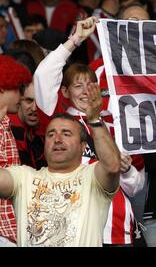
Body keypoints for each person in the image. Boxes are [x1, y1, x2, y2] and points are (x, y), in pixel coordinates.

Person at [33, 17, 145, 246]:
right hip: (70, 230)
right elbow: (43, 76)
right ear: (64, 91)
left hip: (114, 230)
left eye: (90, 84)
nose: (85, 91)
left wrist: (126, 169)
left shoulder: (114, 128)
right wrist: (75, 40)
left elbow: (135, 186)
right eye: (77, 85)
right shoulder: (58, 121)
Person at [0, 85, 122, 247]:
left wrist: (94, 120)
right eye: (51, 134)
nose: (57, 139)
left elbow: (112, 166)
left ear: (83, 146)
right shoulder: (24, 177)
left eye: (66, 134)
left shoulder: (92, 176)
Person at [0, 55, 32, 247]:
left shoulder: (5, 122)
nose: (22, 96)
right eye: (18, 88)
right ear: (2, 87)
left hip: (11, 229)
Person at [9, 82, 46, 169]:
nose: (34, 108)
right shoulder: (7, 128)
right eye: (29, 101)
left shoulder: (43, 132)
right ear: (18, 100)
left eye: (40, 102)